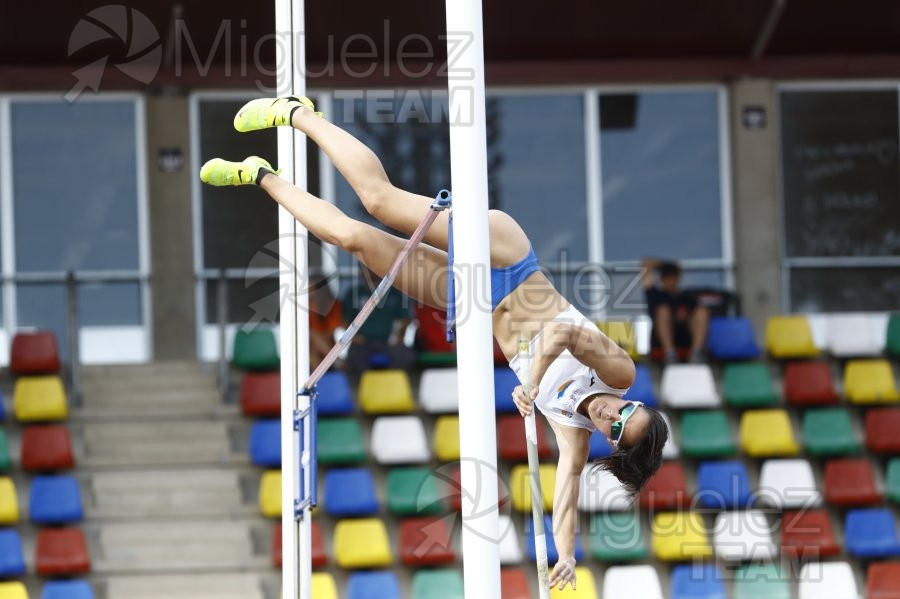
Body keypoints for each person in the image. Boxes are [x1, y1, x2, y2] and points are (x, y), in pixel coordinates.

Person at [201, 96, 668, 590]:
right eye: (625, 411)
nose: (610, 416)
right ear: (631, 399)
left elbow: (566, 501)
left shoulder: (573, 435)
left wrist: (567, 555)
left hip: (470, 297)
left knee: (354, 240)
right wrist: (531, 383)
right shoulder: (619, 373)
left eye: (616, 430)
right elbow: (563, 332)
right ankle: (299, 114)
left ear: (611, 444)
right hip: (507, 258)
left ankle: (259, 175)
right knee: (380, 202)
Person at [341, 265, 415, 376]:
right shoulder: (354, 293)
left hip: (389, 343)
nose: (368, 271)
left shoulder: (395, 293)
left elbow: (405, 319)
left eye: (370, 267)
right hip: (363, 343)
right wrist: (354, 337)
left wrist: (398, 336)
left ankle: (391, 386)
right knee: (354, 356)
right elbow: (344, 320)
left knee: (405, 355)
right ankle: (367, 389)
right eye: (364, 268)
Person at [641, 258, 710, 364]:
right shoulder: (654, 295)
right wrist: (667, 264)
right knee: (663, 310)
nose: (670, 280)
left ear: (678, 278)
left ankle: (697, 353)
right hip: (662, 344)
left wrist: (685, 317)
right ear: (662, 279)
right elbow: (646, 264)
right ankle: (670, 354)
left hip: (686, 339)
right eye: (666, 277)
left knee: (702, 311)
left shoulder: (686, 297)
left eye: (673, 277)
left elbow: (697, 317)